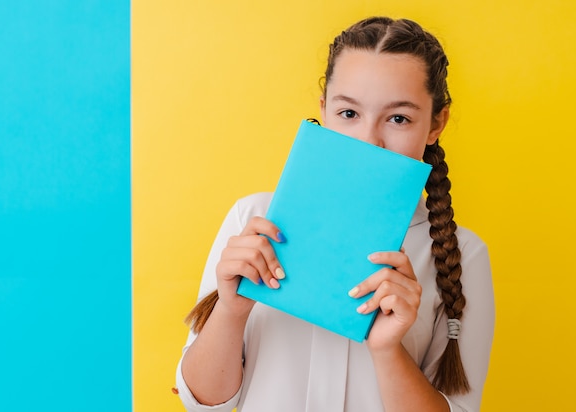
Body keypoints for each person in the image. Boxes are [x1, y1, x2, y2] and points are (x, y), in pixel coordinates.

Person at [175, 16, 495, 412]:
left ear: (436, 123)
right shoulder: (253, 217)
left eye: (399, 118)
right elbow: (202, 403)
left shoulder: (464, 254)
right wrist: (230, 308)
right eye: (349, 114)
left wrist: (387, 349)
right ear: (324, 109)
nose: (369, 141)